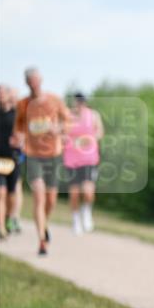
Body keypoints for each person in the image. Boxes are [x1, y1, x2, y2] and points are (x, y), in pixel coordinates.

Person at [13, 67, 70, 255]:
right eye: (30, 81)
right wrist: (19, 137)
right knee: (39, 195)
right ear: (26, 83)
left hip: (53, 154)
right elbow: (18, 127)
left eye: (35, 80)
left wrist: (59, 130)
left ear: (41, 80)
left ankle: (44, 224)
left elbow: (68, 121)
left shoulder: (54, 100)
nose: (33, 84)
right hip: (32, 155)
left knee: (51, 199)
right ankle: (42, 241)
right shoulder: (23, 104)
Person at [62, 92, 103, 234]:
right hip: (71, 159)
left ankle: (86, 211)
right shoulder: (67, 116)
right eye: (77, 102)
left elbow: (99, 132)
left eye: (81, 102)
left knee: (88, 191)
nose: (79, 105)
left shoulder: (93, 115)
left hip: (88, 158)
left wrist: (88, 139)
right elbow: (60, 133)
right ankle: (76, 220)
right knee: (74, 193)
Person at [0, 85, 22, 240]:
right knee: (0, 192)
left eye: (2, 93)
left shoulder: (16, 114)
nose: (0, 96)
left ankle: (8, 217)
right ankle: (1, 228)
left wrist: (20, 141)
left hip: (12, 158)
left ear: (7, 96)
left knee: (11, 194)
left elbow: (24, 134)